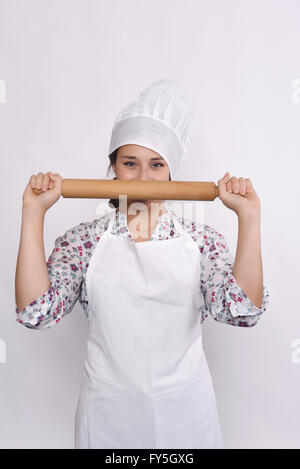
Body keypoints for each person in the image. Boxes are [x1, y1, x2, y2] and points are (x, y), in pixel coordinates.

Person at [15, 79, 270, 449]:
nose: (142, 178)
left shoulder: (201, 241)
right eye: (130, 163)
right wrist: (32, 212)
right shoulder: (83, 241)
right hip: (105, 419)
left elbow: (242, 311)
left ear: (171, 172)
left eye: (156, 164)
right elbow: (37, 313)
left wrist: (249, 218)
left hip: (186, 416)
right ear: (114, 168)